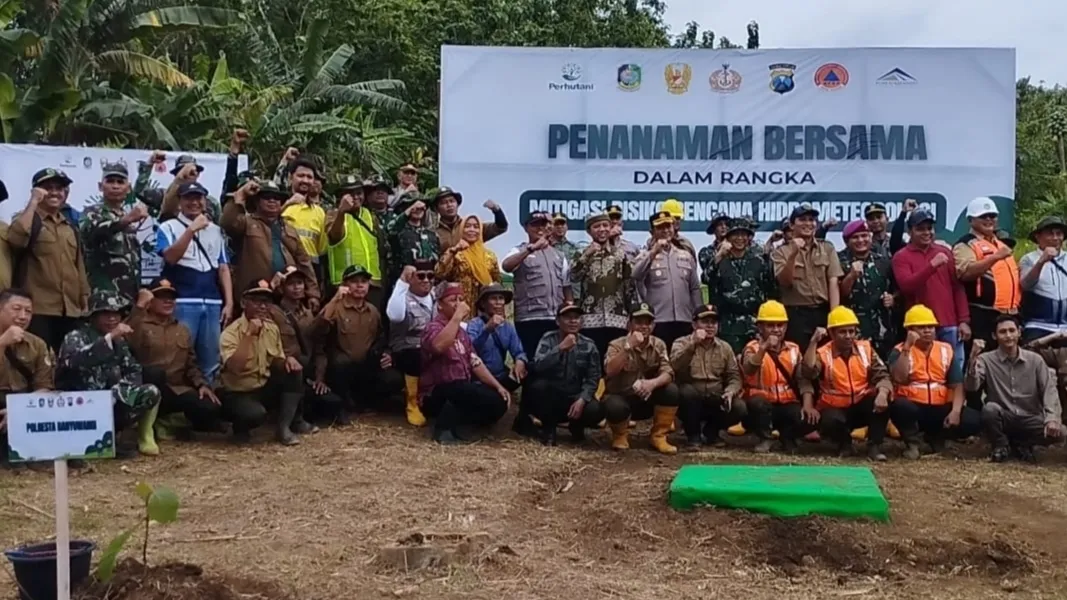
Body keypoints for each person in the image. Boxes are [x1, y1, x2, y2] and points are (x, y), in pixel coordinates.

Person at [57, 290, 162, 457]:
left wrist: (119, 391)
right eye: (106, 314)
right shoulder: (76, 336)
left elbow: (133, 369)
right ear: (93, 316)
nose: (112, 318)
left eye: (116, 314)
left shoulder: (120, 341)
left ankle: (121, 435)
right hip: (79, 405)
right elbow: (75, 362)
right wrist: (109, 339)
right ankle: (92, 441)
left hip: (110, 401)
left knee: (150, 392)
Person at [157, 181, 234, 382]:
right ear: (179, 201)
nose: (194, 202)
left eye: (198, 198)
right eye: (188, 198)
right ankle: (181, 404)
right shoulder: (167, 227)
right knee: (180, 356)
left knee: (211, 359)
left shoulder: (216, 230)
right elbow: (170, 258)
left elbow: (223, 267)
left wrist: (229, 302)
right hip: (183, 300)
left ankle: (208, 402)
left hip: (212, 301)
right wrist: (191, 230)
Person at [127, 279, 222, 439]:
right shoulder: (139, 324)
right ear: (150, 301)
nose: (168, 301)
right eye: (161, 296)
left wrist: (202, 385)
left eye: (172, 297)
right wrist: (139, 306)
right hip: (147, 388)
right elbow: (127, 338)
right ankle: (146, 426)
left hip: (175, 390)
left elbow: (191, 363)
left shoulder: (182, 329)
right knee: (155, 374)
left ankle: (165, 422)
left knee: (210, 408)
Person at [8, 168, 90, 351]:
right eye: (48, 187)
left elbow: (78, 266)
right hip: (39, 309)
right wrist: (34, 202)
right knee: (39, 360)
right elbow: (16, 239)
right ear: (36, 190)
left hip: (70, 309)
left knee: (68, 363)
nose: (54, 192)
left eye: (59, 188)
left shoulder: (69, 226)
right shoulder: (27, 219)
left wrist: (84, 298)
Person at [419, 283, 511, 444]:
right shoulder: (432, 328)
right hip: (435, 393)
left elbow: (475, 362)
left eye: (461, 299)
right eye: (453, 300)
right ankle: (443, 431)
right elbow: (439, 346)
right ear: (440, 305)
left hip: (460, 391)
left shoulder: (462, 333)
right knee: (459, 387)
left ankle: (464, 426)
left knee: (498, 400)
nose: (459, 303)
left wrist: (498, 386)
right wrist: (457, 317)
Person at [799, 306, 894, 461]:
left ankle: (874, 447)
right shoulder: (823, 353)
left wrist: (883, 393)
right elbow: (808, 372)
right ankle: (844, 444)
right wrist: (813, 342)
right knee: (830, 419)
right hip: (834, 409)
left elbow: (882, 375)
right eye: (843, 332)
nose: (849, 336)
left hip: (860, 405)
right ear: (831, 334)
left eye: (852, 331)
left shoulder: (866, 349)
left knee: (884, 398)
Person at [218, 280, 306, 445]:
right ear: (244, 303)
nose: (263, 307)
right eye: (257, 301)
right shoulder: (230, 332)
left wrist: (287, 360)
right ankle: (239, 429)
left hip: (262, 385)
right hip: (237, 392)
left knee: (294, 371)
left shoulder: (271, 328)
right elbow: (235, 368)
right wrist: (249, 335)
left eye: (266, 302)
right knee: (254, 414)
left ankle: (284, 428)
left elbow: (276, 360)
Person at [966, 315, 1064, 463]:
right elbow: (971, 387)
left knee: (1061, 433)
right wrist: (972, 358)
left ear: (1019, 332)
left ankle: (1023, 445)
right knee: (990, 410)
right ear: (994, 336)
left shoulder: (1035, 360)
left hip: (1030, 417)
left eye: (1012, 330)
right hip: (1004, 416)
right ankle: (1000, 445)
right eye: (1003, 332)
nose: (1008, 336)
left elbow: (1048, 390)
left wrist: (1052, 418)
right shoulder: (985, 359)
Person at [887, 304, 980, 458]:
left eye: (931, 326)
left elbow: (957, 385)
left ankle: (937, 439)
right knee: (899, 406)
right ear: (909, 330)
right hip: (913, 406)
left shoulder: (945, 349)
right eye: (921, 327)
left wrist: (956, 412)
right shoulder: (899, 350)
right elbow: (899, 378)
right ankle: (913, 443)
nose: (927, 330)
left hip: (939, 407)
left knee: (973, 420)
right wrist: (907, 347)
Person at [312, 265, 404, 418]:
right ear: (345, 285)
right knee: (341, 364)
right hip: (340, 369)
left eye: (364, 281)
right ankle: (344, 406)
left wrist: (387, 354)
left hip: (366, 367)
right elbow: (316, 330)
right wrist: (335, 299)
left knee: (393, 379)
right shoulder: (336, 308)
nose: (360, 285)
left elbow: (381, 338)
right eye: (354, 281)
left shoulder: (373, 311)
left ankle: (369, 403)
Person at [892, 209, 971, 380]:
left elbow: (957, 288)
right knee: (922, 372)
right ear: (910, 231)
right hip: (920, 326)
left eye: (929, 228)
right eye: (921, 229)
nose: (927, 232)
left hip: (949, 324)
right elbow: (907, 286)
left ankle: (953, 406)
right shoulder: (901, 257)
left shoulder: (944, 252)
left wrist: (964, 320)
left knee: (954, 373)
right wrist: (931, 266)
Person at [222, 179, 320, 310]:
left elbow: (304, 262)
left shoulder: (289, 228)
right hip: (256, 296)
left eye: (277, 198)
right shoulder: (246, 223)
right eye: (266, 197)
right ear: (257, 201)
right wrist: (241, 194)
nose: (272, 201)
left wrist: (313, 294)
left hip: (287, 298)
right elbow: (227, 223)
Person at [602, 303, 679, 454]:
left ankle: (659, 436)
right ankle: (620, 435)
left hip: (647, 398)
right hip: (622, 398)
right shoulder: (616, 344)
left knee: (671, 390)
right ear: (629, 324)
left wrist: (652, 383)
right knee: (613, 404)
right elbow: (610, 371)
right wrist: (628, 347)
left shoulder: (659, 344)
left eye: (648, 323)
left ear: (653, 326)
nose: (643, 326)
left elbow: (668, 372)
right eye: (638, 322)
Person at [527, 302, 604, 446]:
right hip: (553, 396)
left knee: (596, 410)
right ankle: (549, 428)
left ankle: (577, 426)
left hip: (575, 396)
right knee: (537, 388)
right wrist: (560, 349)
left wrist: (582, 399)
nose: (573, 321)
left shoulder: (589, 345)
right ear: (557, 321)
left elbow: (593, 377)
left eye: (576, 317)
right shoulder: (548, 339)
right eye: (568, 317)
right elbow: (537, 366)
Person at [267, 267, 336, 428]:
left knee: (332, 403)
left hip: (307, 371)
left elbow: (318, 347)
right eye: (291, 284)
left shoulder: (308, 313)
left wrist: (319, 378)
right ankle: (291, 421)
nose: (297, 287)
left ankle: (300, 415)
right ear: (282, 288)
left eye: (300, 283)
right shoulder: (274, 312)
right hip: (282, 370)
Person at [670, 304, 744, 450]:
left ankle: (711, 432)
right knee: (686, 393)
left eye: (713, 322)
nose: (710, 326)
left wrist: (730, 391)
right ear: (694, 324)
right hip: (689, 398)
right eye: (705, 322)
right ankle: (693, 435)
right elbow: (674, 367)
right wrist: (693, 345)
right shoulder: (681, 343)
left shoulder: (725, 347)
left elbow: (734, 376)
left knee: (739, 407)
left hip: (715, 396)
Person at [502, 210, 572, 358]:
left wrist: (569, 307)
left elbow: (566, 286)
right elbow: (506, 266)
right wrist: (531, 248)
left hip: (555, 319)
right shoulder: (519, 250)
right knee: (532, 362)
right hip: (529, 319)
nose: (540, 228)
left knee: (556, 362)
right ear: (526, 228)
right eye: (535, 225)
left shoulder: (559, 255)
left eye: (544, 224)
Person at [771, 204, 843, 347]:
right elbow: (785, 282)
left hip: (822, 312)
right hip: (796, 315)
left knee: (824, 360)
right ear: (792, 225)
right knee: (796, 360)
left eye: (811, 220)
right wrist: (793, 253)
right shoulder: (781, 252)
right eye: (802, 219)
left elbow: (833, 282)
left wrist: (835, 317)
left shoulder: (827, 248)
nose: (808, 223)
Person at [80, 162, 151, 304]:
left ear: (128, 188)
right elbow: (94, 232)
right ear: (100, 186)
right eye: (110, 181)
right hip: (104, 297)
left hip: (131, 296)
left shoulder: (126, 214)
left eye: (120, 182)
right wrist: (126, 220)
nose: (115, 186)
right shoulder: (92, 212)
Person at [953, 197, 1021, 344]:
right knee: (982, 361)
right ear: (971, 220)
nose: (989, 219)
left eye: (992, 216)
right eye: (983, 216)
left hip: (1009, 314)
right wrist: (995, 257)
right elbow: (964, 273)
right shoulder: (965, 244)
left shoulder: (1000, 244)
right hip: (982, 314)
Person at [0, 289, 55, 467]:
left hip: (22, 401)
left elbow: (44, 386)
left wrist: (20, 410)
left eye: (28, 311)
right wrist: (2, 343)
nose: (23, 316)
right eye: (16, 309)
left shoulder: (37, 344)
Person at [705, 217, 775, 353]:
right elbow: (707, 279)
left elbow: (771, 288)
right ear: (728, 237)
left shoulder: (759, 261)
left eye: (743, 234)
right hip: (728, 326)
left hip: (754, 325)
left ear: (749, 237)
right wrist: (718, 257)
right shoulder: (720, 261)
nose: (740, 238)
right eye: (735, 234)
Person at [741, 301, 804, 453]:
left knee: (807, 415)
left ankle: (787, 438)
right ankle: (765, 438)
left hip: (787, 402)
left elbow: (802, 379)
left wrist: (808, 404)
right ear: (760, 327)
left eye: (780, 325)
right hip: (760, 406)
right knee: (757, 404)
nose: (776, 330)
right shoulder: (752, 347)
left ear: (786, 327)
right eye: (770, 325)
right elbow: (748, 369)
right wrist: (764, 348)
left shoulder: (794, 349)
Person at [634, 211, 702, 348]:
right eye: (660, 227)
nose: (665, 230)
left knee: (682, 362)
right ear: (651, 231)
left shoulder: (686, 256)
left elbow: (694, 289)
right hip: (658, 320)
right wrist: (654, 252)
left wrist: (699, 318)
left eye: (668, 226)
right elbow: (636, 276)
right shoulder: (644, 256)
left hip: (685, 319)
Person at [572, 212, 633, 356]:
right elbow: (574, 276)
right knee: (592, 362)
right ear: (589, 231)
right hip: (589, 319)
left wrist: (631, 315)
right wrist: (587, 254)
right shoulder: (581, 253)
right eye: (596, 226)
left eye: (605, 225)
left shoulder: (620, 254)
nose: (602, 229)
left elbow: (629, 285)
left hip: (617, 320)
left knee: (615, 361)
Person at [385, 261, 436, 427]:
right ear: (410, 278)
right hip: (406, 350)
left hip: (431, 346)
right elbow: (395, 316)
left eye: (430, 276)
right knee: (414, 354)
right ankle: (412, 403)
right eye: (420, 276)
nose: (426, 280)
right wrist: (401, 282)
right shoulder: (401, 296)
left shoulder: (437, 296)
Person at [325, 175, 388, 306]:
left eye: (358, 193)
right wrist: (341, 212)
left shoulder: (369, 215)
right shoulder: (333, 214)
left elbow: (380, 248)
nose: (355, 197)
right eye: (349, 194)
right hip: (346, 284)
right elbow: (334, 236)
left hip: (372, 283)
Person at [838, 219, 895, 358]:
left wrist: (893, 298)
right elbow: (839, 295)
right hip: (852, 330)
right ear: (847, 241)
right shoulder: (839, 260)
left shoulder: (883, 261)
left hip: (881, 329)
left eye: (864, 236)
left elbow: (897, 288)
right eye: (855, 237)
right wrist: (851, 276)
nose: (861, 240)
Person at [466, 284, 527, 392]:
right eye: (493, 298)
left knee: (527, 372)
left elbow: (518, 351)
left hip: (501, 376)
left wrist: (520, 361)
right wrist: (487, 330)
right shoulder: (474, 324)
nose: (498, 302)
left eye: (501, 298)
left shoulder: (508, 327)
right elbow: (470, 352)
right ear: (483, 304)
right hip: (480, 380)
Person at [281, 158, 329, 286]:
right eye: (301, 176)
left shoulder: (319, 212)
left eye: (309, 177)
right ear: (291, 178)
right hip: (284, 267)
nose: (305, 180)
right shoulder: (278, 203)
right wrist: (287, 204)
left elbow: (322, 249)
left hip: (311, 272)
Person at [435, 215, 501, 308]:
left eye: (476, 227)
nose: (472, 229)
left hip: (484, 310)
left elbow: (496, 284)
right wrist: (452, 251)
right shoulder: (455, 253)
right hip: (460, 308)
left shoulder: (490, 256)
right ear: (461, 230)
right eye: (467, 226)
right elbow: (439, 273)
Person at [1019, 216, 1067, 341]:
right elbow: (1025, 285)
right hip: (1037, 325)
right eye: (1050, 234)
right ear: (1038, 237)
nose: (1055, 238)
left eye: (1059, 234)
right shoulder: (1029, 259)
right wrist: (1041, 262)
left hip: (1065, 326)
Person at [430, 187, 508, 250]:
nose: (449, 205)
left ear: (457, 204)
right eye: (443, 202)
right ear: (437, 209)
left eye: (452, 201)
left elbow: (501, 227)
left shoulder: (471, 227)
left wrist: (497, 211)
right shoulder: (432, 233)